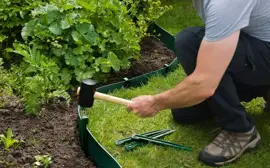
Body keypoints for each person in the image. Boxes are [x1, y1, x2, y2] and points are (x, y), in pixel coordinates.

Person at [127, 0, 270, 167]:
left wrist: (155, 103)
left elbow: (203, 84)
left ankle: (240, 130)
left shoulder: (224, 4)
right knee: (183, 113)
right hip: (258, 43)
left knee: (189, 41)